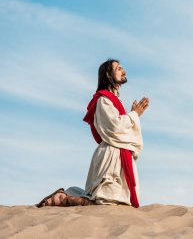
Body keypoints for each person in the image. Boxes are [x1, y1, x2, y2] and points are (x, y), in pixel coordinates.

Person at [36, 59, 149, 207]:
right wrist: (134, 115)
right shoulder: (104, 100)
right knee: (106, 201)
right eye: (119, 68)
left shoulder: (115, 101)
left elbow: (120, 127)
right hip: (111, 156)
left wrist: (133, 115)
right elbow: (114, 127)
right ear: (108, 75)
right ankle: (63, 198)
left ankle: (66, 195)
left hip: (121, 156)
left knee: (119, 202)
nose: (124, 71)